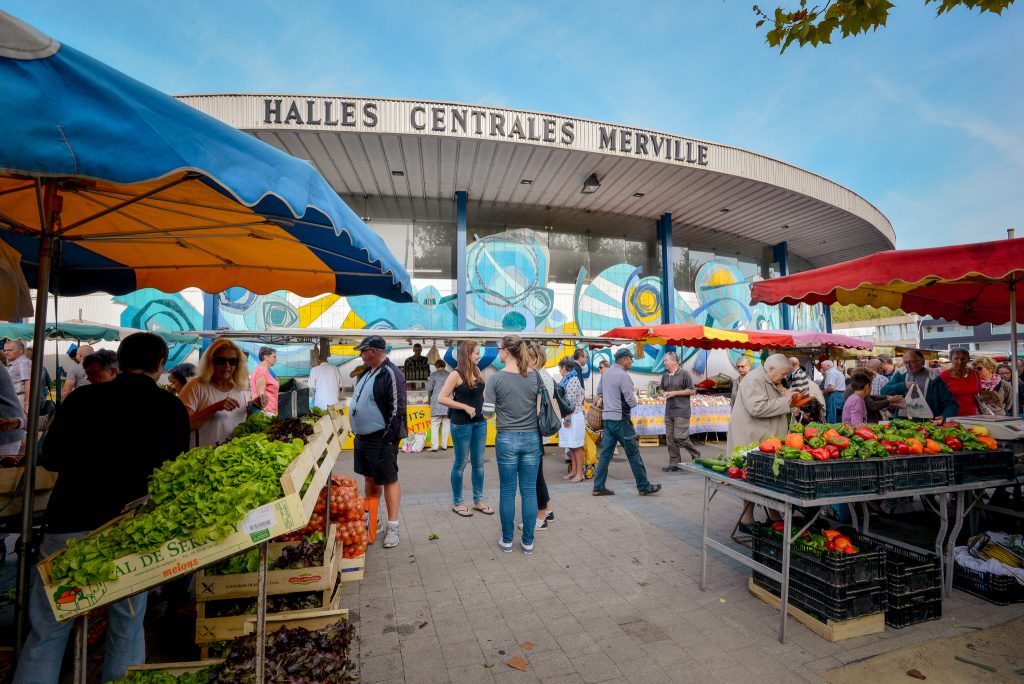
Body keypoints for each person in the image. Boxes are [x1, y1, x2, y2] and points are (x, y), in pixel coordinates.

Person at [14, 333, 189, 684]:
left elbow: (50, 457)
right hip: (130, 531)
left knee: (49, 629)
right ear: (160, 365)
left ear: (120, 363)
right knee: (126, 624)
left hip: (68, 524)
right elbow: (176, 473)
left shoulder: (82, 398)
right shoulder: (169, 407)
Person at [483, 335, 543, 554]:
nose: (498, 351)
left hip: (506, 439)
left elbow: (487, 414)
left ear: (506, 352)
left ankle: (507, 541)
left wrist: (487, 400)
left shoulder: (495, 379)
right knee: (529, 491)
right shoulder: (534, 376)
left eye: (499, 348)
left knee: (507, 491)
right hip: (532, 438)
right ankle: (528, 542)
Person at [729, 354, 797, 531]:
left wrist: (789, 404)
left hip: (763, 439)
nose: (784, 378)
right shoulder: (754, 380)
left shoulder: (769, 379)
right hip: (751, 439)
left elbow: (773, 402)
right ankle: (746, 520)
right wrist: (785, 401)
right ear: (771, 369)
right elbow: (757, 408)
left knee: (764, 480)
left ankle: (774, 516)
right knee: (752, 480)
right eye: (783, 374)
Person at [351, 335, 407, 549]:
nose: (361, 355)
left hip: (381, 438)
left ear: (373, 351)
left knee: (389, 478)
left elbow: (397, 408)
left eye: (363, 351)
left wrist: (389, 438)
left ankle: (393, 527)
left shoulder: (391, 373)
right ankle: (374, 520)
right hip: (363, 438)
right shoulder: (366, 372)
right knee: (370, 479)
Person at [592, 348, 661, 497]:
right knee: (633, 454)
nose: (631, 361)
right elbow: (631, 400)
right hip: (621, 419)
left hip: (608, 418)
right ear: (623, 359)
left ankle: (598, 486)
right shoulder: (623, 376)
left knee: (605, 454)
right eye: (630, 359)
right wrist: (635, 401)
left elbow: (600, 392)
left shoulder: (606, 374)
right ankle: (643, 486)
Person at [439, 341, 493, 517]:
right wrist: (464, 407)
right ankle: (458, 502)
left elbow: (479, 395)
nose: (479, 356)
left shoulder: (477, 371)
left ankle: (478, 501)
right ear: (467, 354)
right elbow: (442, 398)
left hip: (479, 423)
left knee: (478, 464)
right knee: (461, 464)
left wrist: (487, 408)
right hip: (461, 424)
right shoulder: (456, 374)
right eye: (477, 353)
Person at [178, 339, 256, 447]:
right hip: (201, 459)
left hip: (229, 458)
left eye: (232, 361)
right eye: (221, 361)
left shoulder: (239, 390)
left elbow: (239, 423)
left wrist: (255, 407)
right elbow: (183, 425)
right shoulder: (195, 387)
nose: (227, 366)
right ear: (211, 362)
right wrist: (214, 407)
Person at [525, 343, 556, 530]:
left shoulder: (536, 377)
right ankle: (548, 510)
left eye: (525, 358)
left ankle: (540, 517)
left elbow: (536, 409)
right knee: (538, 474)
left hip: (535, 431)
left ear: (534, 359)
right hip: (540, 432)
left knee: (536, 476)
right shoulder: (545, 375)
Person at [881, 349, 958, 420]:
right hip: (903, 422)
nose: (908, 365)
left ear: (922, 362)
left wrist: (945, 417)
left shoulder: (934, 378)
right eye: (906, 362)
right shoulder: (901, 375)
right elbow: (883, 391)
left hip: (929, 423)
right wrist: (903, 386)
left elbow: (950, 403)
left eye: (912, 362)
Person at [660, 351, 699, 471]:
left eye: (666, 360)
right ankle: (674, 463)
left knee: (680, 437)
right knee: (670, 438)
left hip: (682, 410)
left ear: (674, 361)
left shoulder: (684, 374)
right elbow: (661, 388)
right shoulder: (665, 375)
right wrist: (664, 393)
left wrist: (675, 393)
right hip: (669, 411)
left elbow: (692, 391)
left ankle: (696, 454)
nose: (664, 362)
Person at [558, 357, 587, 483]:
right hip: (569, 416)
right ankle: (573, 471)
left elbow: (571, 402)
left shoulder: (572, 380)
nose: (559, 370)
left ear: (565, 368)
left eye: (560, 368)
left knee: (577, 446)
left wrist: (568, 418)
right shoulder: (567, 379)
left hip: (574, 416)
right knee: (571, 446)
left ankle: (579, 473)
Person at [939, 349, 982, 417]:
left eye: (963, 359)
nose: (960, 361)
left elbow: (979, 393)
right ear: (950, 359)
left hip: (973, 416)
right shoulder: (943, 376)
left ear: (968, 360)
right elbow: (938, 399)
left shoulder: (975, 374)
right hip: (951, 417)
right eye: (956, 358)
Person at [425, 359, 451, 452]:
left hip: (437, 403)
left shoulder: (433, 375)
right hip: (448, 402)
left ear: (436, 366)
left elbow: (429, 388)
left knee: (435, 425)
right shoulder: (449, 375)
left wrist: (427, 382)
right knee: (446, 424)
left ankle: (435, 446)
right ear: (444, 366)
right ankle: (444, 445)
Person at [0, 363, 25, 457]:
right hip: (10, 423)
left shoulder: (24, 363)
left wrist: (20, 423)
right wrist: (20, 422)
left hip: (5, 431)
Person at [250, 346, 280, 416]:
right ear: (266, 357)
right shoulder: (261, 371)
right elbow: (261, 396)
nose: (276, 359)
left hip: (269, 411)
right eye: (274, 357)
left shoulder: (264, 370)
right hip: (266, 412)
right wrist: (265, 414)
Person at [4, 338, 31, 414]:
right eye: (5, 350)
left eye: (10, 350)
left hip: (19, 399)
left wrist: (26, 404)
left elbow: (28, 383)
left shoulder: (23, 362)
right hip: (14, 399)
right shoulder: (15, 363)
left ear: (21, 351)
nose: (6, 352)